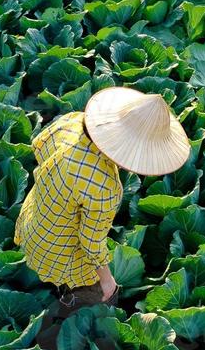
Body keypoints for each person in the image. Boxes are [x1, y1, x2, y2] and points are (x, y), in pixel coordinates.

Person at [15, 86, 190, 320]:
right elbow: (90, 243)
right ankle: (73, 308)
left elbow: (38, 146)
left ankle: (64, 290)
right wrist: (107, 282)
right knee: (100, 298)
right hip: (61, 252)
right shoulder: (104, 188)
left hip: (34, 220)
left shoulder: (70, 122)